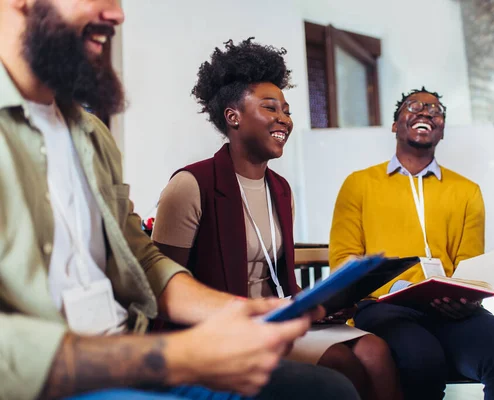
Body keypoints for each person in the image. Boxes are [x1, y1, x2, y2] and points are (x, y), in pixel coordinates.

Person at [0, 1, 362, 399]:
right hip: (57, 380)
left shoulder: (89, 133)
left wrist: (234, 311)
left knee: (331, 390)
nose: (117, 14)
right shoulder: (193, 183)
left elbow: (143, 260)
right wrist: (176, 355)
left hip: (135, 355)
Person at [152, 37, 401, 400]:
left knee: (376, 352)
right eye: (270, 108)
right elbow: (162, 287)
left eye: (286, 109)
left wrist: (322, 305)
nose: (284, 118)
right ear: (232, 116)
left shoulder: (280, 188)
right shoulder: (191, 185)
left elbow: (278, 277)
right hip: (225, 329)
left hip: (279, 316)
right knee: (342, 366)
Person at [329, 87, 494, 400]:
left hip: (450, 310)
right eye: (414, 106)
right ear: (395, 125)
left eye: (436, 109)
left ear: (441, 130)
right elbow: (343, 262)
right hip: (383, 308)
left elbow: (469, 265)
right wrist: (391, 289)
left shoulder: (467, 191)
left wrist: (464, 296)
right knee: (420, 358)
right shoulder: (358, 184)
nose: (426, 111)